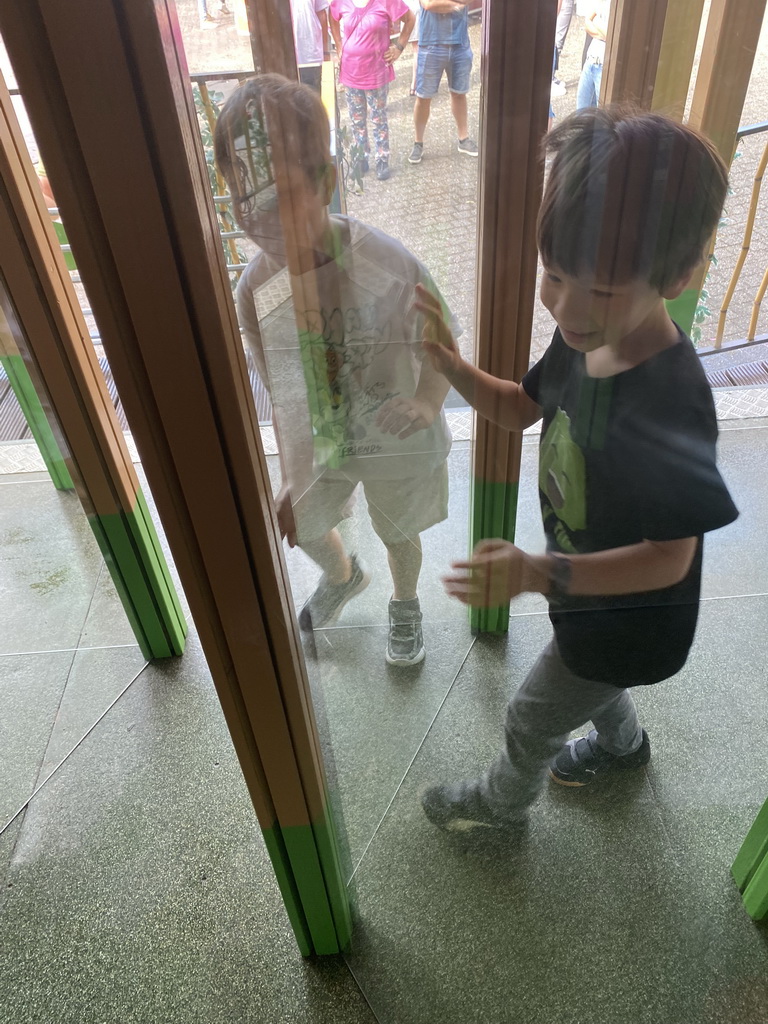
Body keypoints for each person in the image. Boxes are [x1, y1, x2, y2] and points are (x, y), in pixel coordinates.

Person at [414, 106, 738, 833]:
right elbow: (516, 408)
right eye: (554, 275)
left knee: (533, 717)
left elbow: (669, 556)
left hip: (632, 618)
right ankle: (625, 750)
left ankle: (500, 809)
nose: (565, 306)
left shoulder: (670, 402)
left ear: (680, 274)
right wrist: (449, 365)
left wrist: (539, 572)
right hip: (586, 599)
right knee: (591, 681)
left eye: (601, 289)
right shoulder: (584, 342)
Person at [214, 74, 456, 667]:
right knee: (303, 521)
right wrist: (293, 462)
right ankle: (344, 575)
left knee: (399, 529)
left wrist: (427, 402)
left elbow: (440, 334)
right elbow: (272, 373)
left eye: (281, 196)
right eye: (247, 201)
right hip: (323, 436)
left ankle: (405, 601)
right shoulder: (256, 286)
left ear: (326, 181)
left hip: (392, 429)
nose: (264, 220)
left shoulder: (386, 262)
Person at [329, 0, 415, 181]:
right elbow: (332, 16)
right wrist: (338, 44)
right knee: (357, 119)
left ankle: (382, 158)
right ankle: (361, 158)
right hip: (351, 72)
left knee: (378, 118)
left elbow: (410, 19)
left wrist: (399, 48)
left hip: (376, 73)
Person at [408, 0, 478, 165]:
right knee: (423, 97)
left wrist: (445, 4)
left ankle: (463, 139)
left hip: (460, 44)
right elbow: (429, 4)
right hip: (430, 45)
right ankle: (418, 143)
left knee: (459, 93)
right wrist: (457, 5)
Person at [291, 0, 331, 94]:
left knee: (316, 101)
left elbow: (322, 15)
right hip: (286, 58)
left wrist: (325, 51)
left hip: (311, 57)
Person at [576, 0, 610, 110]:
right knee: (580, 113)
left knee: (602, 116)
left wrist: (595, 22)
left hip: (604, 66)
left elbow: (611, 35)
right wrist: (603, 33)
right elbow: (587, 23)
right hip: (590, 61)